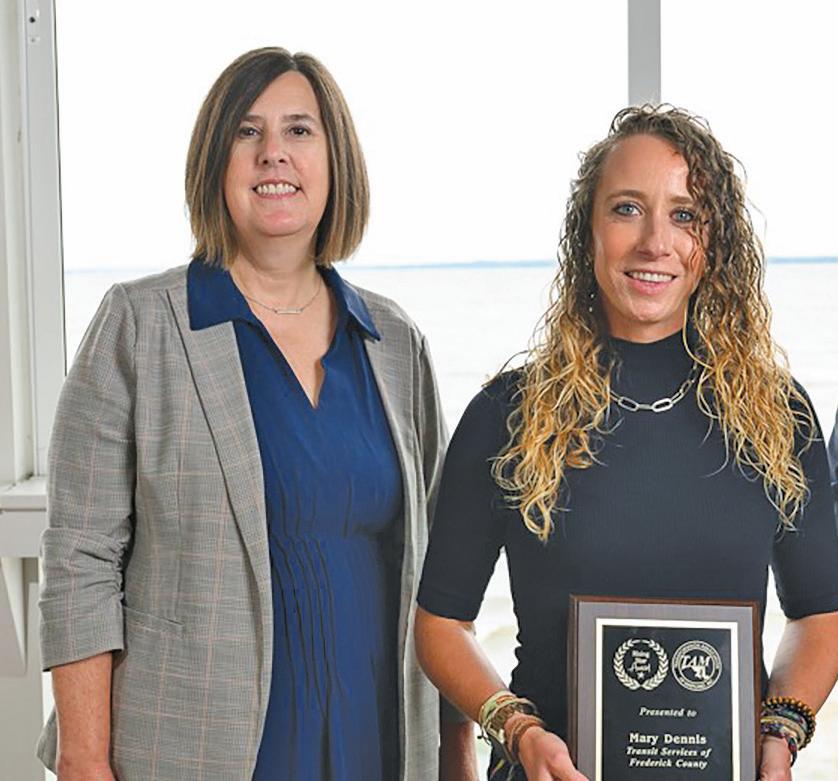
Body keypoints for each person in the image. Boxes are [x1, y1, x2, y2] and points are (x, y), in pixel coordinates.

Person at [37, 47, 473, 781]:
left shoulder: (394, 342)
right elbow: (81, 558)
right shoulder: (140, 327)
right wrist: (84, 759)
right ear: (216, 162)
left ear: (336, 161)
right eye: (247, 131)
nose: (274, 152)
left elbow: (443, 578)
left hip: (376, 741)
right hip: (194, 750)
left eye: (299, 130)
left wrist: (457, 758)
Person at [414, 105, 838, 781]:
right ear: (587, 232)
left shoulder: (777, 414)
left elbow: (818, 614)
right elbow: (441, 624)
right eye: (627, 209)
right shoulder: (509, 413)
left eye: (684, 215)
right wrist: (517, 729)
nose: (654, 242)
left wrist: (781, 732)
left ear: (715, 242)